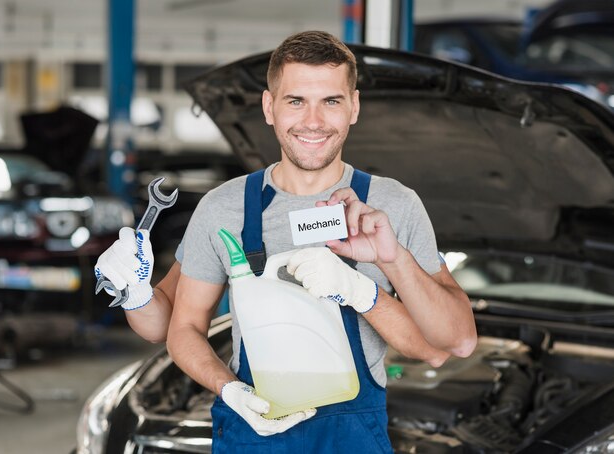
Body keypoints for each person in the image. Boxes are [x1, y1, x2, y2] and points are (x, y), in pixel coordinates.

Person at [95, 30, 476, 452]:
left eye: (331, 101)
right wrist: (135, 294)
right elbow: (178, 329)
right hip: (252, 429)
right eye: (296, 101)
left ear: (354, 107)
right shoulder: (224, 208)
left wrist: (361, 289)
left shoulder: (392, 207)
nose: (313, 121)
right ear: (269, 107)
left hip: (352, 436)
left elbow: (446, 345)